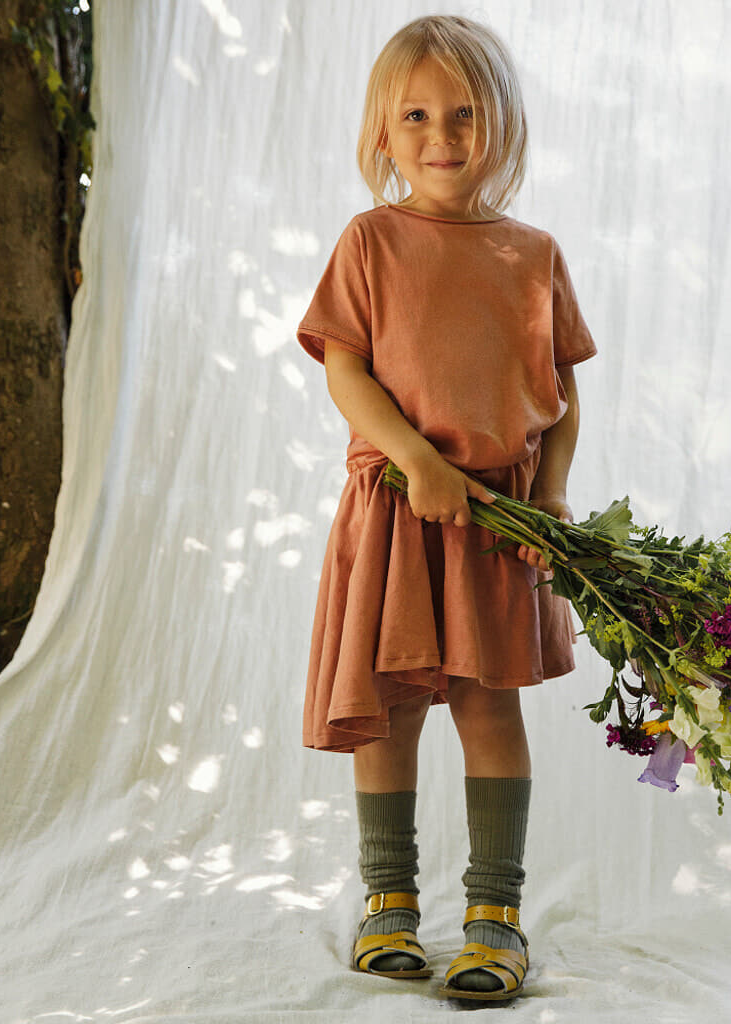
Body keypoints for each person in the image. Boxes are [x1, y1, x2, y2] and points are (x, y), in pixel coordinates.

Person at [296, 14, 596, 1002]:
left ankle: (494, 916)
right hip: (398, 509)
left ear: (501, 124)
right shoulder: (370, 241)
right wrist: (416, 458)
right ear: (383, 131)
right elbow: (345, 368)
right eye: (416, 116)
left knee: (486, 702)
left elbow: (561, 394)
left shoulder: (533, 254)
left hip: (496, 527)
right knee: (388, 708)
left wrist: (550, 493)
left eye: (464, 114)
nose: (441, 135)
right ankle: (388, 901)